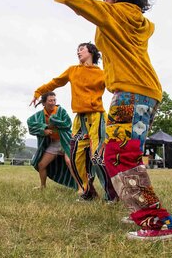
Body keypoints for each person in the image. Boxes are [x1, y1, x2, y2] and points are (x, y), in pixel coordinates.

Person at [47, 0, 172, 241]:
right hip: (145, 92)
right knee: (125, 153)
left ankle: (157, 223)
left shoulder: (114, 13)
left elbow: (80, 3)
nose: (105, 0)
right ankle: (141, 209)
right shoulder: (139, 22)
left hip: (130, 93)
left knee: (118, 156)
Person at [30, 43, 117, 203]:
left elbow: (115, 87)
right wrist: (38, 92)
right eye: (77, 50)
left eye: (81, 49)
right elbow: (55, 82)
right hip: (79, 119)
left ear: (91, 52)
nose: (78, 52)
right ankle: (88, 192)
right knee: (75, 157)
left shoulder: (102, 73)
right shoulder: (73, 70)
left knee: (97, 157)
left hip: (96, 117)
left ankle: (111, 196)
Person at [27, 91, 78, 190]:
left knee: (69, 162)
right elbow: (30, 123)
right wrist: (43, 129)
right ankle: (43, 186)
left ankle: (81, 187)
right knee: (41, 165)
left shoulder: (61, 111)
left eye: (54, 100)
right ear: (44, 103)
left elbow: (68, 124)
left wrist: (55, 121)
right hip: (54, 143)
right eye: (50, 100)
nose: (53, 102)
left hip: (66, 141)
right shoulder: (40, 115)